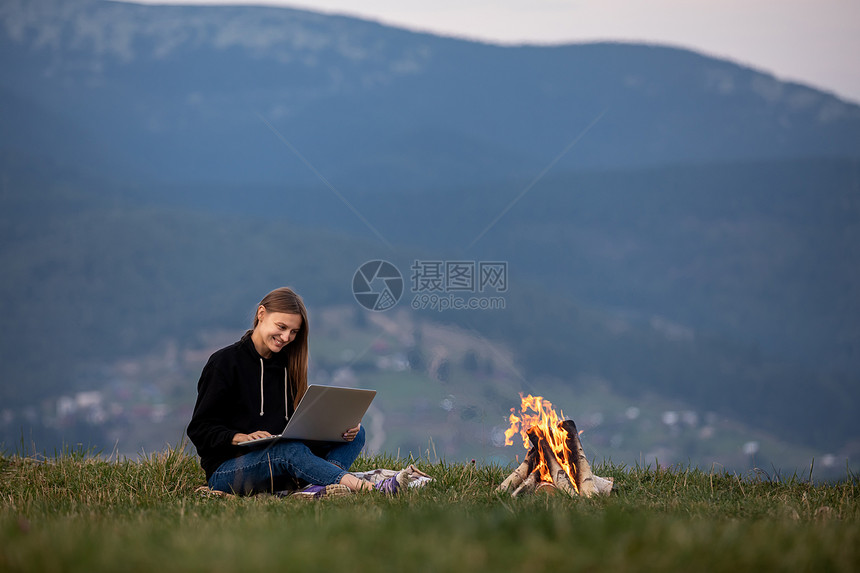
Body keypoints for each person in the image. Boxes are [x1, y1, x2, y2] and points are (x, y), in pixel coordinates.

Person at [187, 287, 399, 495]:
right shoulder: (224, 363)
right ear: (261, 314)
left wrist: (336, 426)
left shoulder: (289, 365)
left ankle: (320, 485)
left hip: (280, 460)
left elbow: (295, 426)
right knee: (288, 452)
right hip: (228, 471)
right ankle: (368, 488)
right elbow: (200, 429)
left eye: (293, 332)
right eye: (281, 327)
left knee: (354, 433)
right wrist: (240, 437)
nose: (286, 337)